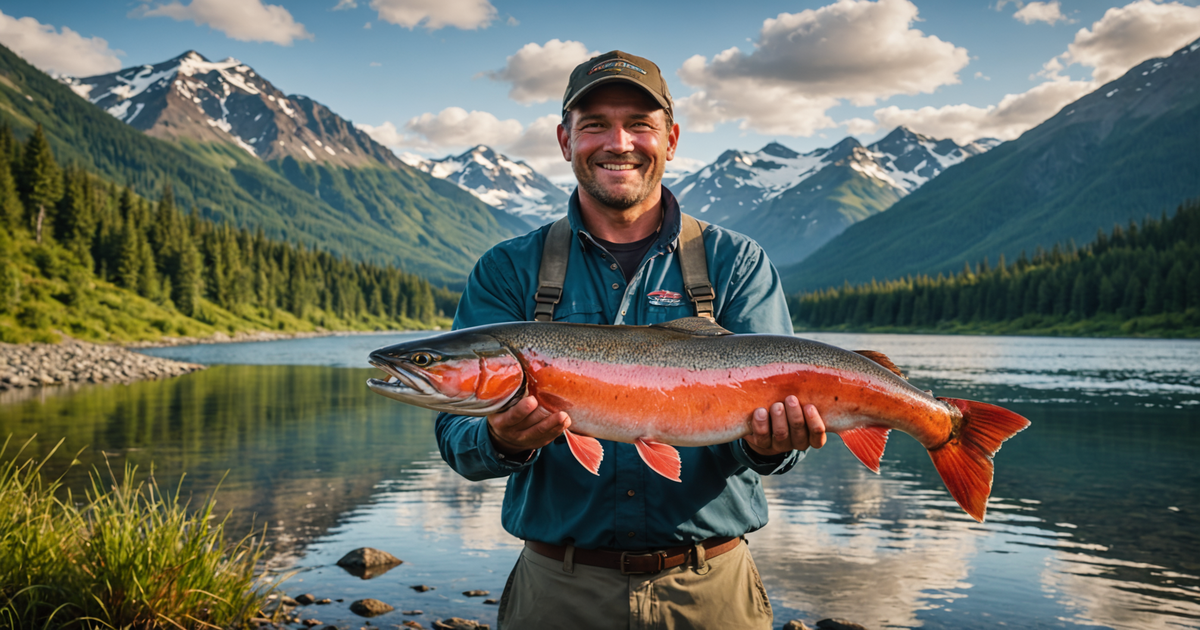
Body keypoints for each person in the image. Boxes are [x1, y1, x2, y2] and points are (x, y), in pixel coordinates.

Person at [435, 50, 826, 630]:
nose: (618, 142)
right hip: (556, 591)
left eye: (639, 124)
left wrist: (773, 445)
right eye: (594, 125)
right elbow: (456, 439)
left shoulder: (737, 262)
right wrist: (501, 439)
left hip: (711, 588)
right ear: (565, 140)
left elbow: (781, 446)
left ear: (670, 138)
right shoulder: (508, 269)